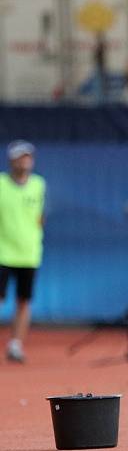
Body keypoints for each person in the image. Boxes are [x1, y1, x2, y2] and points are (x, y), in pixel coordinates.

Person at [0, 141, 46, 363]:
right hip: (3, 253)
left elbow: (40, 216)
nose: (25, 160)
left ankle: (16, 345)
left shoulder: (39, 184)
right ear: (11, 161)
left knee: (23, 301)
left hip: (29, 254)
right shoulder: (0, 184)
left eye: (28, 156)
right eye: (20, 157)